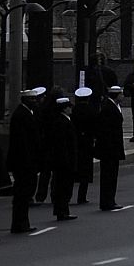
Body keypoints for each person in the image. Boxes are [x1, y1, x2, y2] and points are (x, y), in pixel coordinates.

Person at [8, 87, 43, 232]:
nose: (34, 102)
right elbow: (22, 142)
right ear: (25, 100)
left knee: (25, 193)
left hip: (28, 161)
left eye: (35, 99)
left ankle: (23, 223)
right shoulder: (21, 115)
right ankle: (19, 224)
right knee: (22, 193)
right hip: (23, 162)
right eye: (31, 99)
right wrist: (30, 161)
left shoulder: (29, 113)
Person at [46, 93, 79, 221]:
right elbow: (62, 145)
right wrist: (67, 162)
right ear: (64, 108)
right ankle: (62, 211)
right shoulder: (62, 122)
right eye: (69, 107)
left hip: (64, 161)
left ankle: (63, 210)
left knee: (64, 187)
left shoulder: (63, 121)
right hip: (64, 162)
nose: (71, 109)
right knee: (63, 187)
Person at [96, 85, 128, 211]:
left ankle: (110, 199)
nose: (123, 96)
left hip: (113, 148)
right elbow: (106, 131)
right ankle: (107, 201)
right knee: (108, 176)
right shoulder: (108, 108)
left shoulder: (113, 106)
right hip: (109, 149)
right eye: (121, 94)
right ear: (116, 95)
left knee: (112, 176)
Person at [72, 86, 97, 205]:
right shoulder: (91, 110)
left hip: (76, 143)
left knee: (75, 169)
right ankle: (82, 196)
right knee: (85, 171)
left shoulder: (74, 110)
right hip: (87, 143)